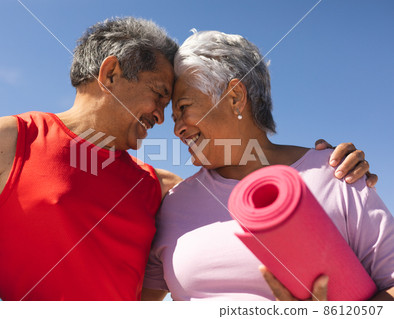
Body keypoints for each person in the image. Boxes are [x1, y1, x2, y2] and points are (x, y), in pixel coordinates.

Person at [0, 18, 375, 301]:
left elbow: (240, 183)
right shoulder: (7, 141)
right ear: (111, 74)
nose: (161, 117)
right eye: (159, 95)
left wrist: (330, 166)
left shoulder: (156, 187)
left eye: (174, 105)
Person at [141, 31, 393, 301]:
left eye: (184, 107)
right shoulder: (174, 204)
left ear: (236, 96)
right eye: (174, 117)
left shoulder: (338, 175)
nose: (177, 129)